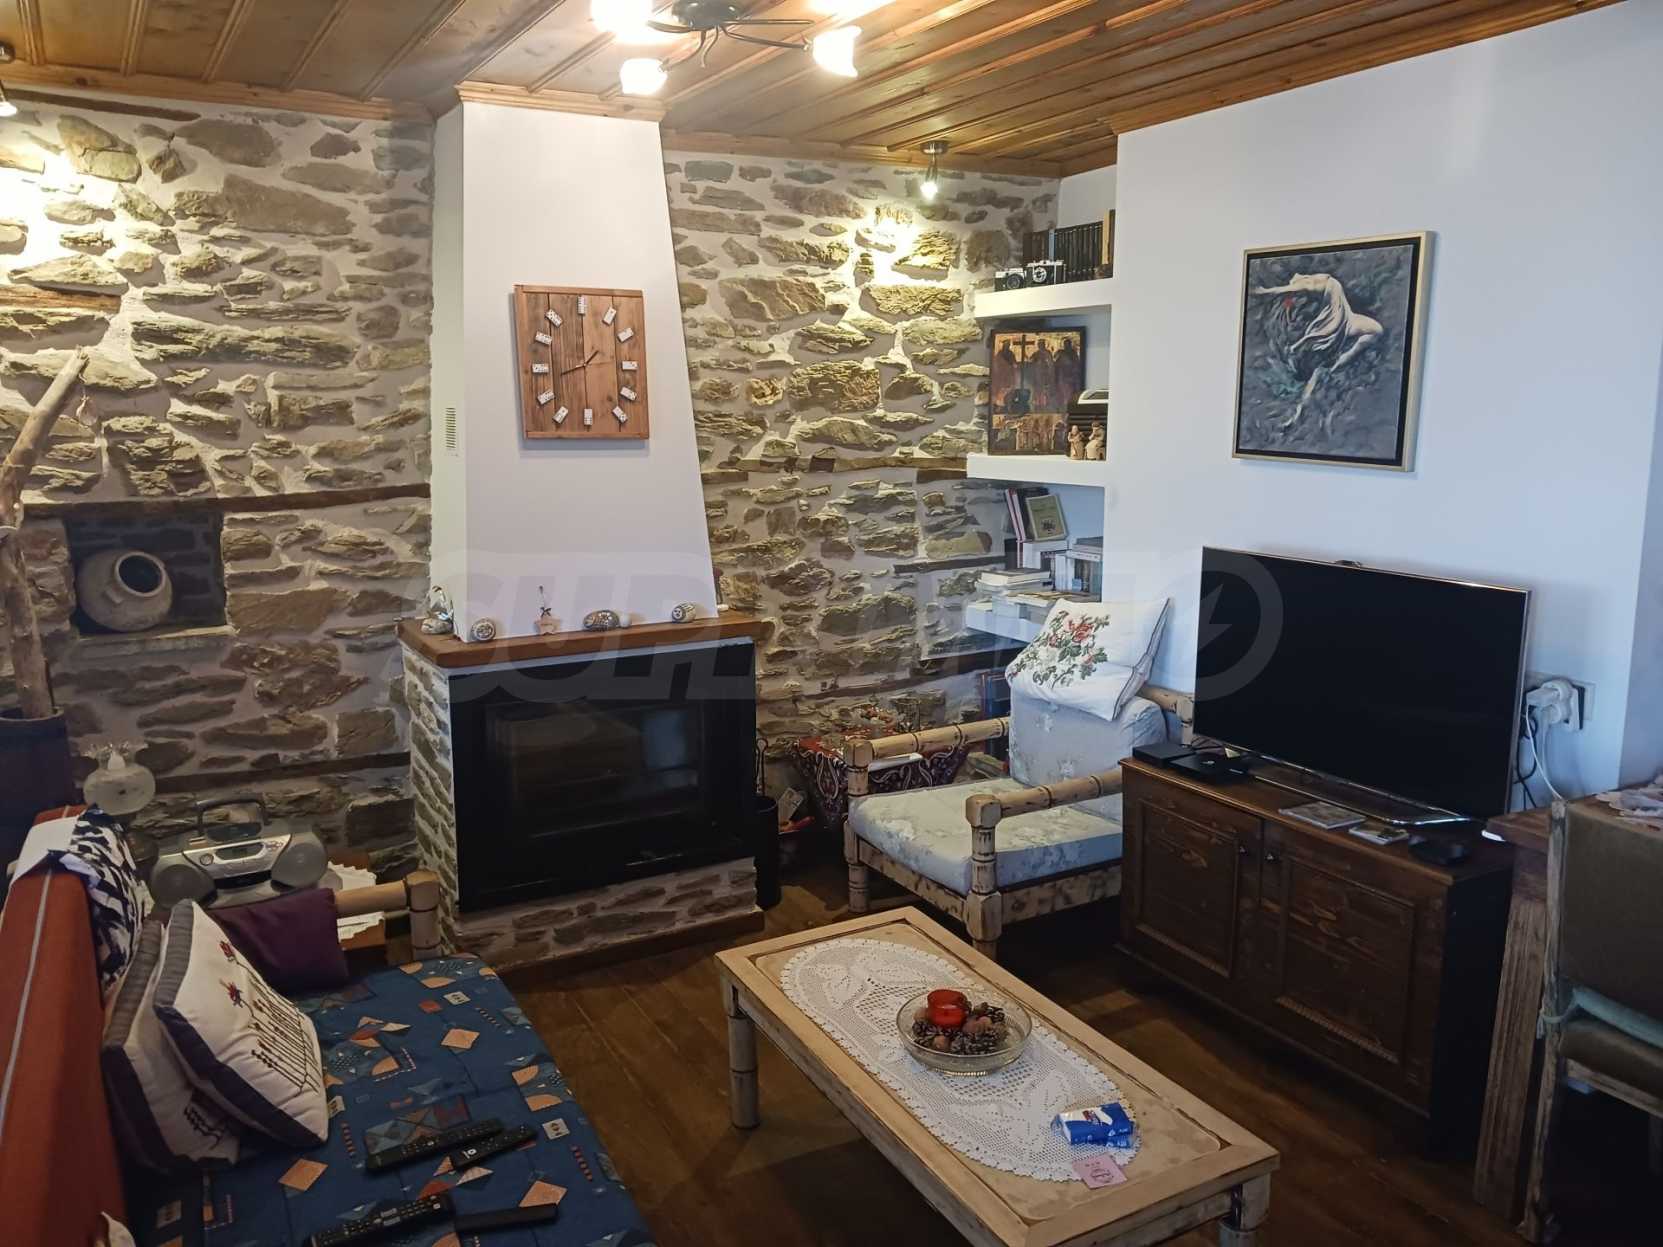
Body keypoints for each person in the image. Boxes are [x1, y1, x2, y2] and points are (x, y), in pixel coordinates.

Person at [1250, 271, 1383, 431]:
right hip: (1341, 319)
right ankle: (1297, 414)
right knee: (1369, 333)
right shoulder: (1317, 286)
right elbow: (1288, 293)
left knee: (1343, 339)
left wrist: (1263, 292)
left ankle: (1338, 359)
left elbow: (1285, 291)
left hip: (1339, 320)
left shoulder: (1311, 286)